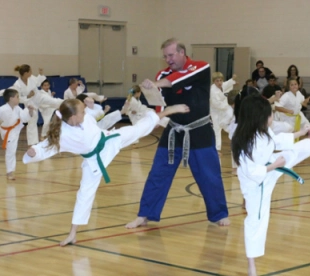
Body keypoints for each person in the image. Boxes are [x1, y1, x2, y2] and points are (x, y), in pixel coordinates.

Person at [22, 99, 190, 246]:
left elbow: (94, 114)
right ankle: (72, 234)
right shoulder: (63, 135)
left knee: (138, 129)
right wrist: (34, 152)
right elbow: (45, 147)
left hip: (109, 140)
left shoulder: (84, 117)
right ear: (73, 117)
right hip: (93, 161)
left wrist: (90, 103)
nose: (85, 112)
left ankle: (168, 111)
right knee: (84, 194)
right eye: (82, 110)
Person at [126, 38, 230, 229]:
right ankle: (145, 214)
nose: (168, 59)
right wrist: (157, 110)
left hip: (200, 130)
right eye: (165, 56)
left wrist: (157, 83)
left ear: (182, 52)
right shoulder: (163, 74)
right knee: (158, 173)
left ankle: (219, 213)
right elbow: (160, 99)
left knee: (209, 175)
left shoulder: (200, 67)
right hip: (174, 130)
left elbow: (178, 79)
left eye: (171, 55)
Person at [232, 95, 310, 276]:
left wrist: (301, 132)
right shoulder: (245, 141)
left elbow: (276, 141)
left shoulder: (262, 132)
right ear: (258, 117)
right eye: (270, 115)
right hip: (256, 185)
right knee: (257, 222)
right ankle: (252, 269)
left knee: (290, 153)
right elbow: (251, 171)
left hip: (268, 168)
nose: (271, 118)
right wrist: (274, 165)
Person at [0, 89, 34, 180]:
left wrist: (30, 111)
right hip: (6, 131)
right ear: (11, 98)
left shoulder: (17, 108)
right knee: (11, 151)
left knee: (11, 151)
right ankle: (9, 172)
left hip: (15, 129)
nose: (18, 99)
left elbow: (24, 118)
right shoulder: (2, 109)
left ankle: (10, 172)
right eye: (17, 97)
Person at [12, 65, 63, 145]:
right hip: (30, 103)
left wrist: (41, 74)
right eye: (30, 71)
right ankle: (33, 143)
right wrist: (27, 96)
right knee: (32, 121)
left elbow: (39, 82)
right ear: (26, 73)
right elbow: (18, 98)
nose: (32, 72)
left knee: (53, 101)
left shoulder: (31, 78)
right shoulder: (17, 84)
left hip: (38, 97)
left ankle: (69, 103)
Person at [210, 72, 236, 153]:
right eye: (217, 81)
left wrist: (233, 80)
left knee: (231, 118)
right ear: (214, 81)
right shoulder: (212, 90)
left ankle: (235, 138)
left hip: (225, 108)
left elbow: (227, 84)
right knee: (217, 129)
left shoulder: (222, 85)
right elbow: (216, 104)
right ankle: (217, 149)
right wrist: (227, 106)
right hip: (216, 111)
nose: (219, 82)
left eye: (220, 80)